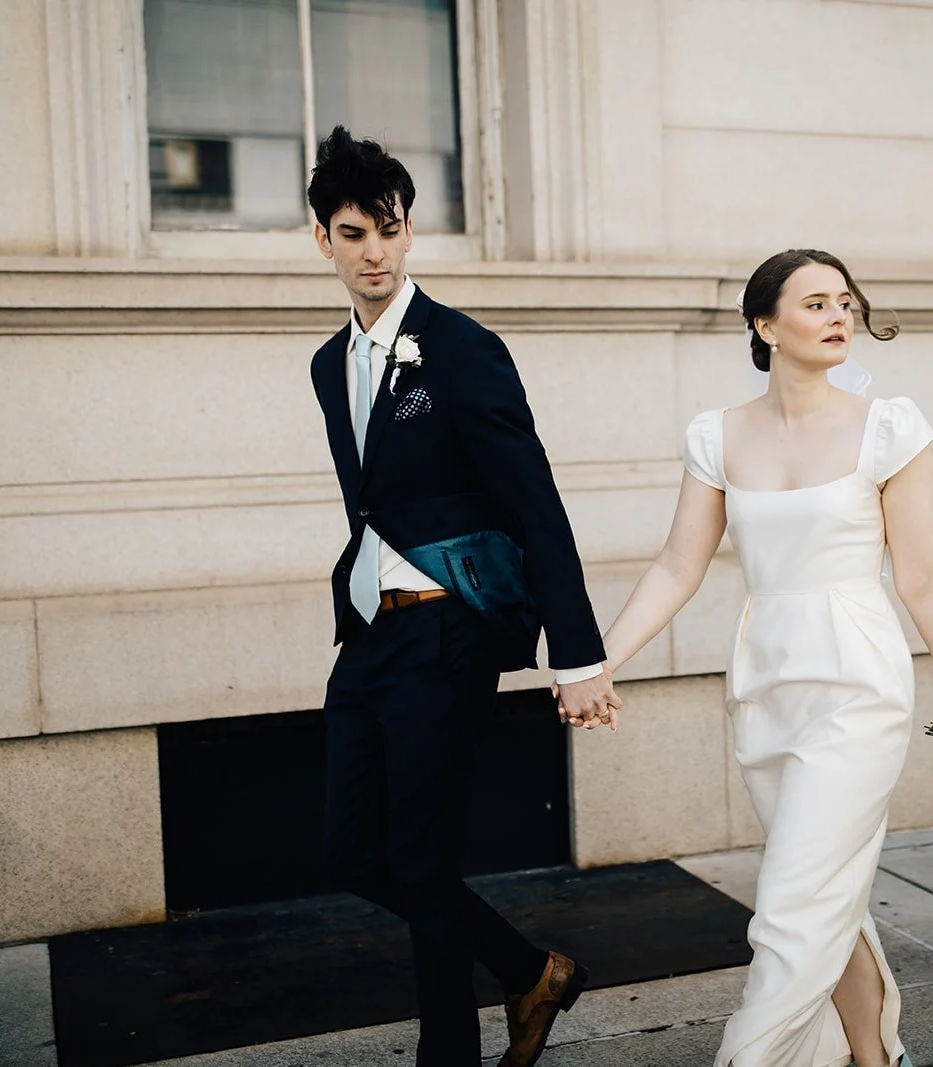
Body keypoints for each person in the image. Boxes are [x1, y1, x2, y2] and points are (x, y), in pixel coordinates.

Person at [583, 250, 933, 1066]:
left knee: (789, 906)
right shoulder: (716, 434)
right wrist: (600, 662)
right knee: (824, 896)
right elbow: (679, 564)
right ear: (765, 324)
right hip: (767, 684)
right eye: (815, 303)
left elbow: (923, 575)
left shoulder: (890, 426)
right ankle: (876, 1057)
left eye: (845, 301)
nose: (839, 315)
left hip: (858, 681)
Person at [306, 126, 619, 1067]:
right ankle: (530, 972)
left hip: (446, 636)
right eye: (354, 233)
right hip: (370, 635)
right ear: (321, 237)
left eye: (389, 232)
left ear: (409, 235)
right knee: (353, 854)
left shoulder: (462, 349)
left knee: (425, 864)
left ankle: (450, 1054)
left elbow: (535, 502)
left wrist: (577, 651)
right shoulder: (330, 365)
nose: (375, 253)